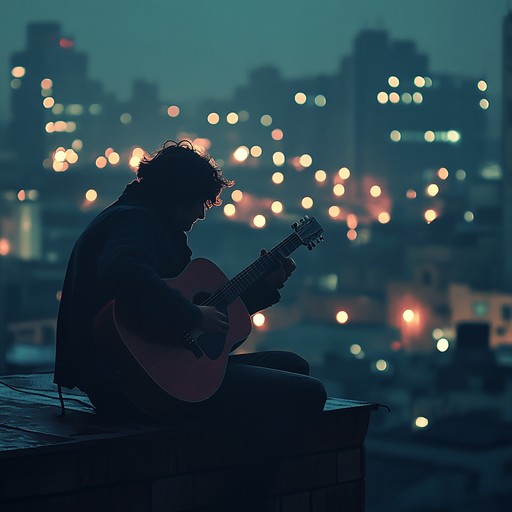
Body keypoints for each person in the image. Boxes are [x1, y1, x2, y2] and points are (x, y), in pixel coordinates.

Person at [54, 139, 327, 511]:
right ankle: (238, 500)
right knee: (308, 393)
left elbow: (204, 324)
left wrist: (264, 289)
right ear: (176, 195)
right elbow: (125, 274)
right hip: (126, 384)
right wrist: (193, 314)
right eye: (200, 202)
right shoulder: (131, 222)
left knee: (293, 367)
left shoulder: (147, 223)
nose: (202, 213)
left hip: (156, 370)